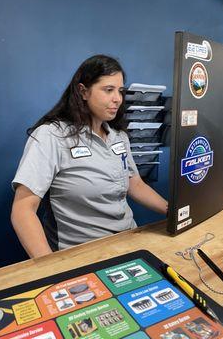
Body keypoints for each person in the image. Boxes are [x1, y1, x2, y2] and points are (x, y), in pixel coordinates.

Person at [11, 55, 168, 258]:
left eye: (120, 91)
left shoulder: (118, 136)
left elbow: (134, 183)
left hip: (128, 242)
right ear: (83, 91)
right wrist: (49, 268)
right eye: (108, 90)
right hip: (81, 254)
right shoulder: (52, 135)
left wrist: (172, 211)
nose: (117, 99)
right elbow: (23, 210)